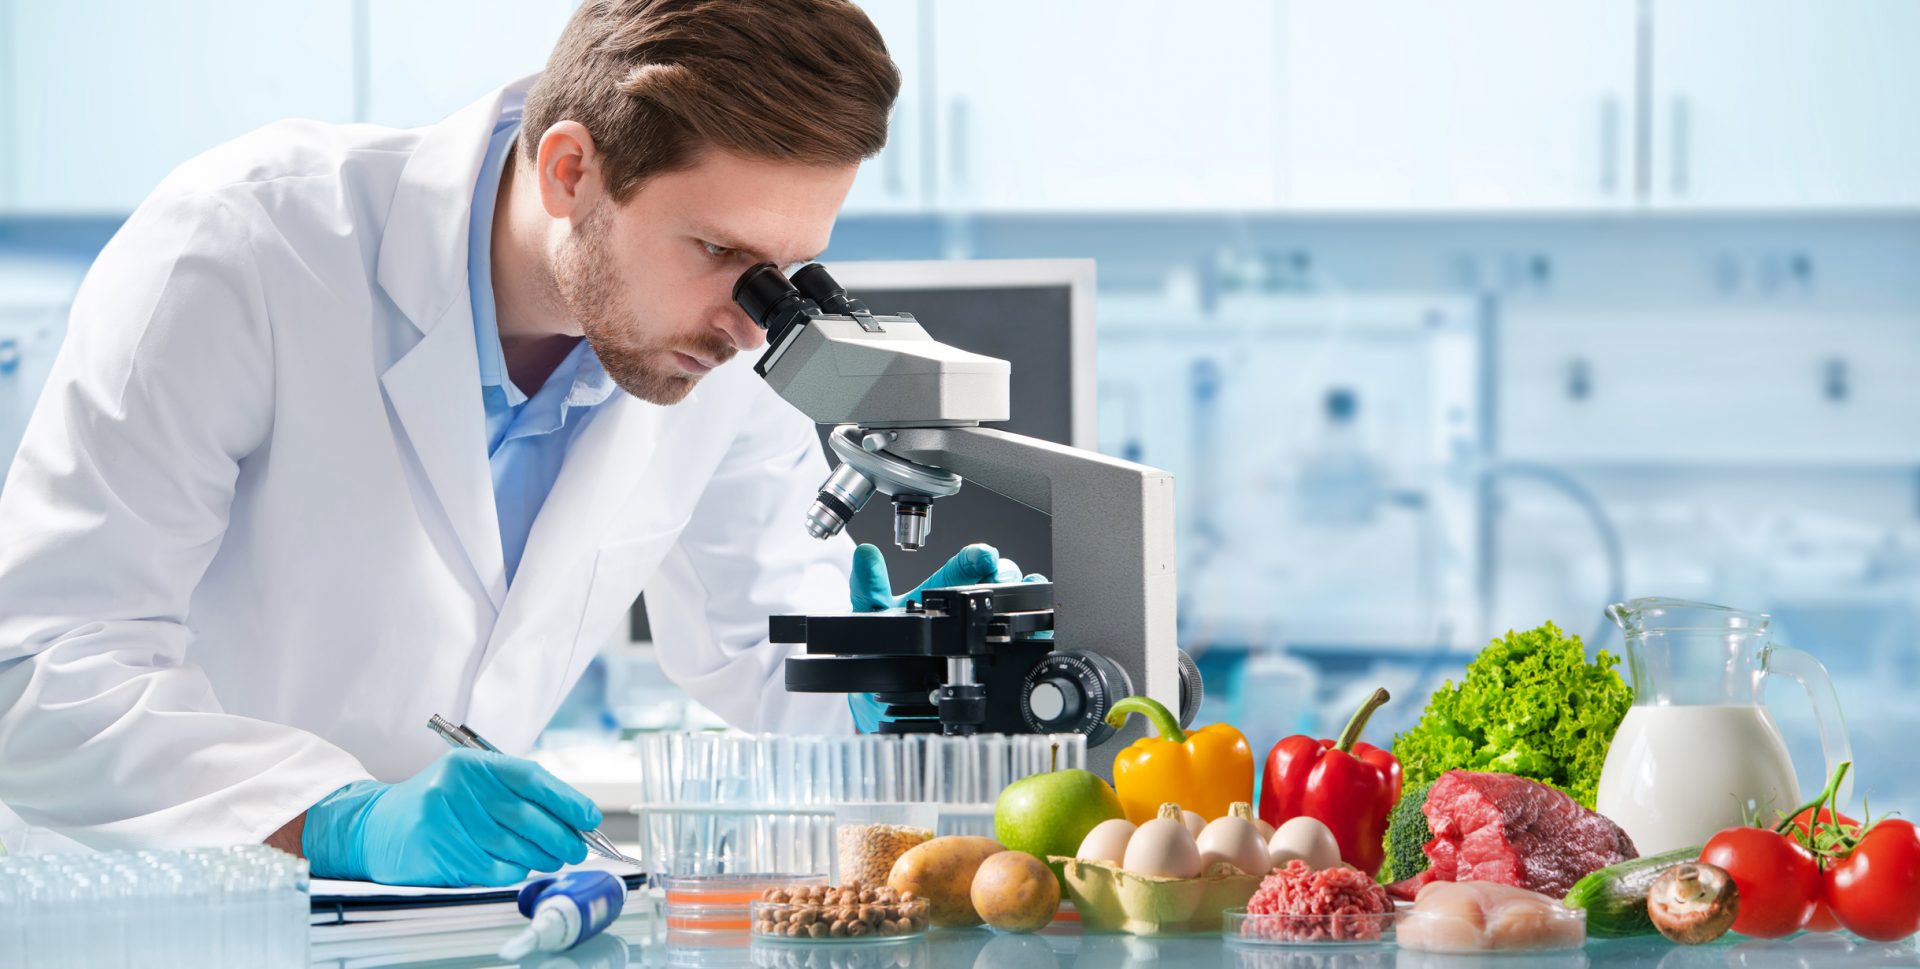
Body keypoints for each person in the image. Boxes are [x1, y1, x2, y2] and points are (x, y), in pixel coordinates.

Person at [0, 0, 1022, 887]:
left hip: (454, 920)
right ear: (571, 171)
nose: (752, 323)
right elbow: (43, 664)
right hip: (175, 906)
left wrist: (891, 685)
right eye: (720, 250)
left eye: (789, 269)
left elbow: (763, 639)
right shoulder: (247, 248)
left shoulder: (711, 339)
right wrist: (337, 819)